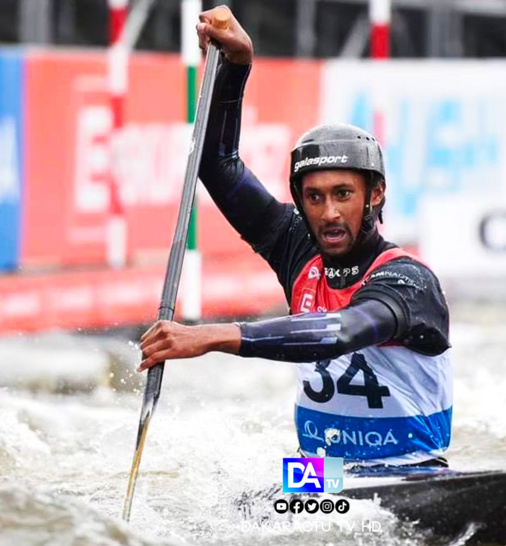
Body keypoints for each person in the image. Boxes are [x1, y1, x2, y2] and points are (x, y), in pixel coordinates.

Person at [138, 5, 452, 466]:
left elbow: (342, 331)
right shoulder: (296, 246)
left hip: (411, 475)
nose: (328, 213)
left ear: (376, 194)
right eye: (314, 197)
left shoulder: (409, 281)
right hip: (317, 479)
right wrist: (236, 65)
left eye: (344, 194)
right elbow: (216, 166)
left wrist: (212, 336)